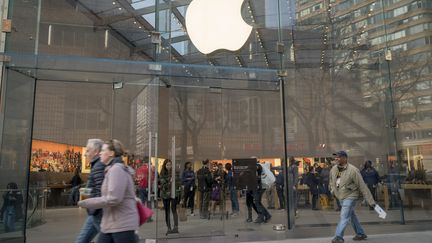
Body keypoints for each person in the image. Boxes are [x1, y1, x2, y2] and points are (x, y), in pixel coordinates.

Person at [78, 139, 138, 243]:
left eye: (103, 150)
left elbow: (114, 198)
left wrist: (87, 202)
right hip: (110, 224)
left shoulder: (116, 170)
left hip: (121, 225)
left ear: (111, 153)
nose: (100, 153)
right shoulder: (111, 169)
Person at [329, 151, 376, 243]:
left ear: (345, 158)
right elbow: (331, 181)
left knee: (344, 216)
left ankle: (338, 237)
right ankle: (360, 233)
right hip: (340, 196)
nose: (336, 159)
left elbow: (362, 186)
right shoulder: (334, 169)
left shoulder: (353, 170)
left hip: (350, 196)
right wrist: (332, 190)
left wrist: (371, 202)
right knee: (351, 216)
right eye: (336, 157)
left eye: (339, 157)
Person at [75, 138, 105, 243]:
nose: (85, 154)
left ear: (96, 151)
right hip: (95, 213)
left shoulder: (98, 166)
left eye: (88, 150)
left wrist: (89, 202)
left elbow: (100, 191)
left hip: (98, 213)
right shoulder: (97, 165)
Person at [159, 159, 181, 235]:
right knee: (167, 211)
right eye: (167, 165)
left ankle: (176, 227)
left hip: (174, 194)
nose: (169, 166)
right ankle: (169, 228)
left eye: (170, 165)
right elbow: (163, 186)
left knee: (174, 210)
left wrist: (179, 194)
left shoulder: (175, 173)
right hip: (165, 195)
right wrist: (170, 181)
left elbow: (178, 183)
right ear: (165, 165)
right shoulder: (162, 173)